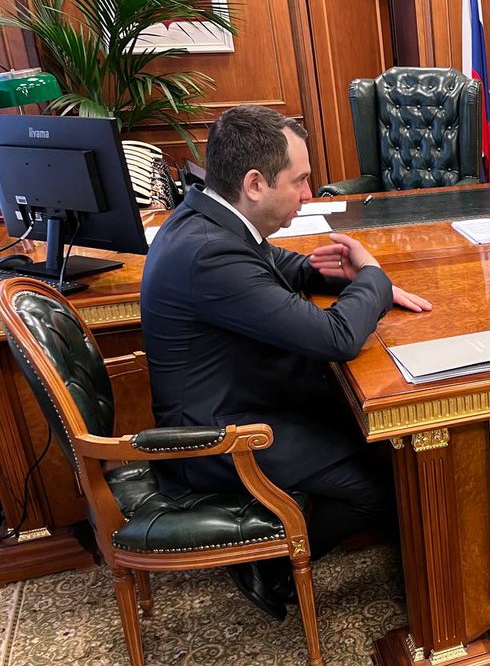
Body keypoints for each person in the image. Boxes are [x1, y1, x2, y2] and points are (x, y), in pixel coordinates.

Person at [140, 105, 431, 620]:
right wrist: (373, 278)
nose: (309, 195)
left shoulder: (206, 217)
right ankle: (271, 567)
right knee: (380, 486)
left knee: (373, 435)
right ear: (255, 184)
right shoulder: (209, 255)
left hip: (235, 396)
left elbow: (275, 263)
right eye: (299, 181)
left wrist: (338, 277)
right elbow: (338, 336)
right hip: (217, 435)